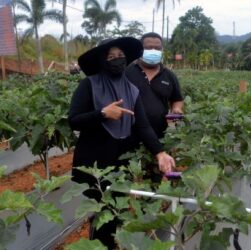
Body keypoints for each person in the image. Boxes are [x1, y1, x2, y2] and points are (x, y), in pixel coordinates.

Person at [68, 37, 175, 249]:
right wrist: (102, 113)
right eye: (111, 57)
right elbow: (74, 121)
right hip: (94, 163)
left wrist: (160, 153)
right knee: (101, 214)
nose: (117, 60)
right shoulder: (89, 85)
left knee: (115, 212)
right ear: (102, 61)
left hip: (120, 162)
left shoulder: (132, 90)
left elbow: (143, 126)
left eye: (120, 56)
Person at [126, 32, 184, 139]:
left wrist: (173, 130)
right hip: (130, 134)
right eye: (148, 48)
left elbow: (177, 100)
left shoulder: (169, 75)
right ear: (141, 49)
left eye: (157, 48)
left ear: (162, 50)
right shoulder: (127, 72)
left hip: (160, 136)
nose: (153, 51)